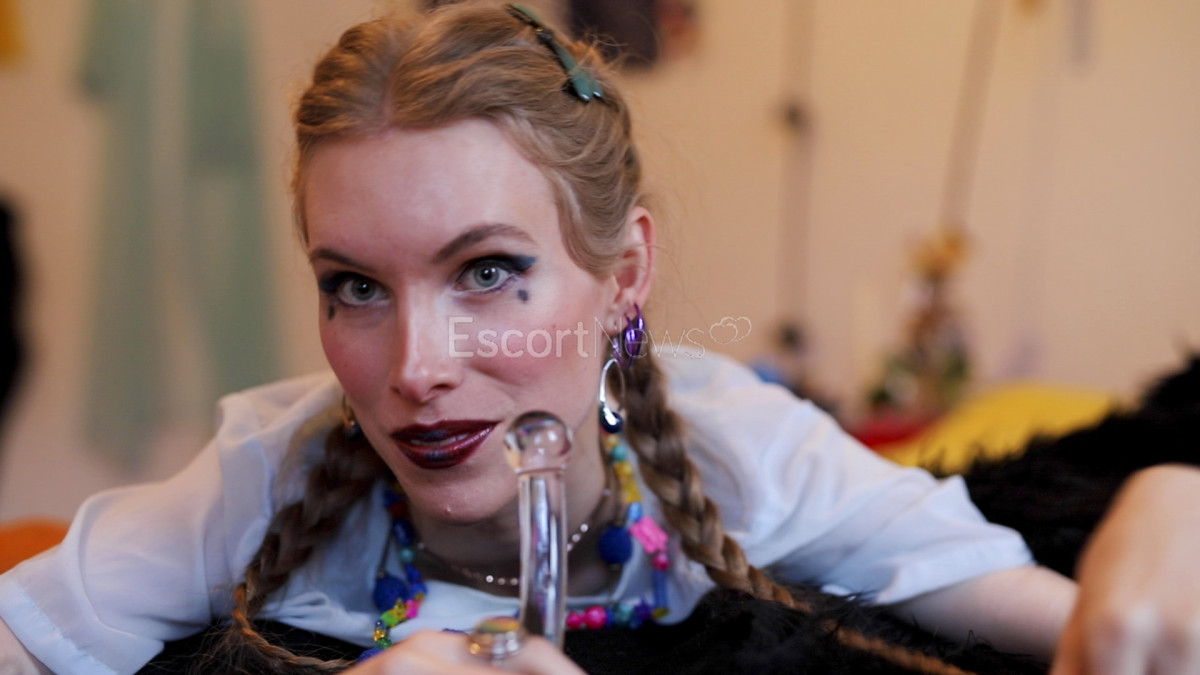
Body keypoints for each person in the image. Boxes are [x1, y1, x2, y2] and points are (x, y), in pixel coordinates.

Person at [2, 3, 1199, 673]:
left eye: (488, 272)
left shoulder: (744, 452)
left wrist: (1163, 525)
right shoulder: (267, 476)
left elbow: (1078, 627)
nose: (414, 368)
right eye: (355, 287)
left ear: (624, 276)